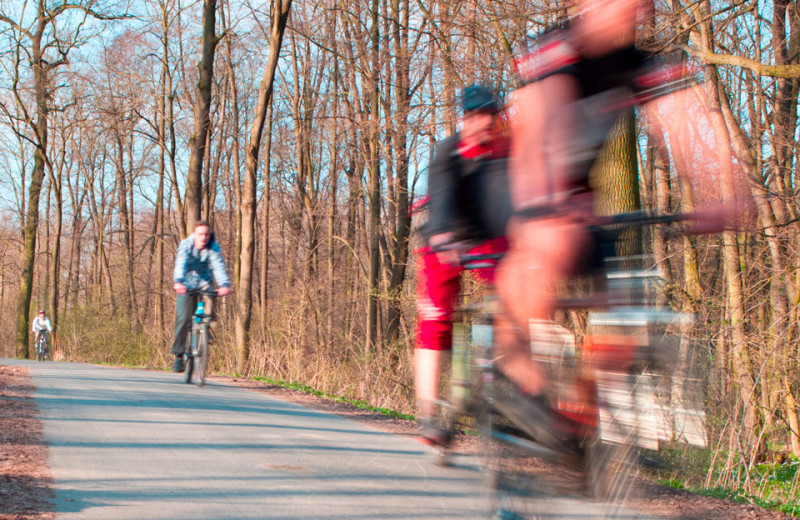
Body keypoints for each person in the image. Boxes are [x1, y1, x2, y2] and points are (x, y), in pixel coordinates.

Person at [492, 0, 749, 443]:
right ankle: (521, 384)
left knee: (627, 309)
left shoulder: (637, 62)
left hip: (575, 202)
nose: (634, 12)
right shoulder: (555, 49)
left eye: (641, 6)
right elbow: (537, 126)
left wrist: (724, 192)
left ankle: (578, 417)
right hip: (518, 182)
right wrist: (543, 202)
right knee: (546, 256)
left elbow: (683, 116)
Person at [415, 84, 512, 446]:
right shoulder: (448, 152)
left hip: (489, 238)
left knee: (516, 302)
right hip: (448, 237)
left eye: (493, 115)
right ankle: (427, 415)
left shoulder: (505, 151)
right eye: (481, 116)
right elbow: (440, 200)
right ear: (466, 119)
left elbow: (514, 203)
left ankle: (512, 394)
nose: (489, 122)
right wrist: (442, 236)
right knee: (435, 319)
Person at [171, 220, 231, 372]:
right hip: (186, 284)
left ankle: (206, 329)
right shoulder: (186, 245)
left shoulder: (213, 246)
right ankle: (178, 355)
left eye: (206, 234)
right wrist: (178, 282)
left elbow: (218, 266)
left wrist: (224, 284)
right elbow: (180, 264)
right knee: (183, 318)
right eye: (200, 234)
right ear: (194, 235)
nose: (204, 237)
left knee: (210, 298)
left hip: (204, 282)